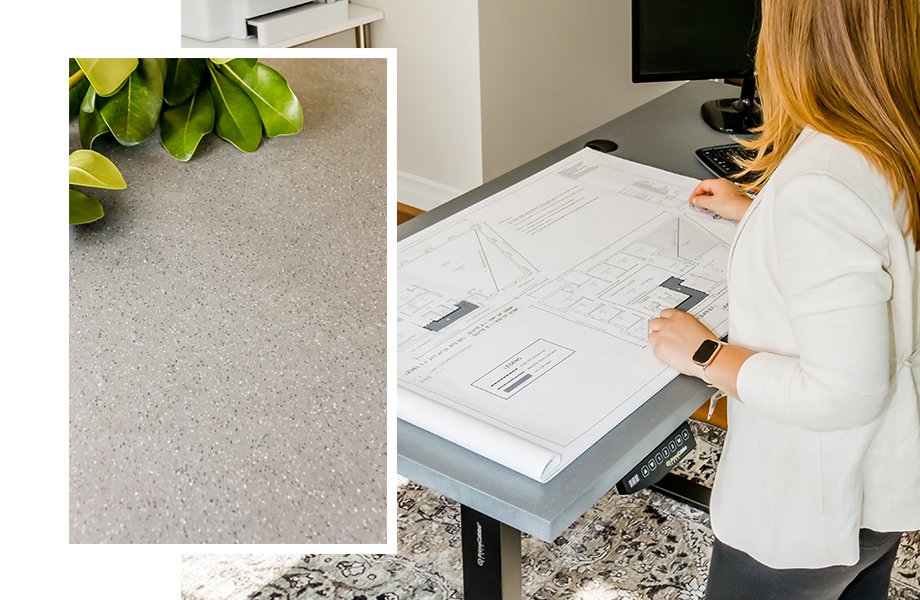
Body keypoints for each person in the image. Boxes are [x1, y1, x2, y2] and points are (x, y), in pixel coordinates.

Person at [646, 0, 920, 598]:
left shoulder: (820, 185)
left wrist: (704, 353)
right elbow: (878, 246)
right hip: (880, 484)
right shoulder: (892, 130)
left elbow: (842, 394)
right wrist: (762, 213)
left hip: (809, 505)